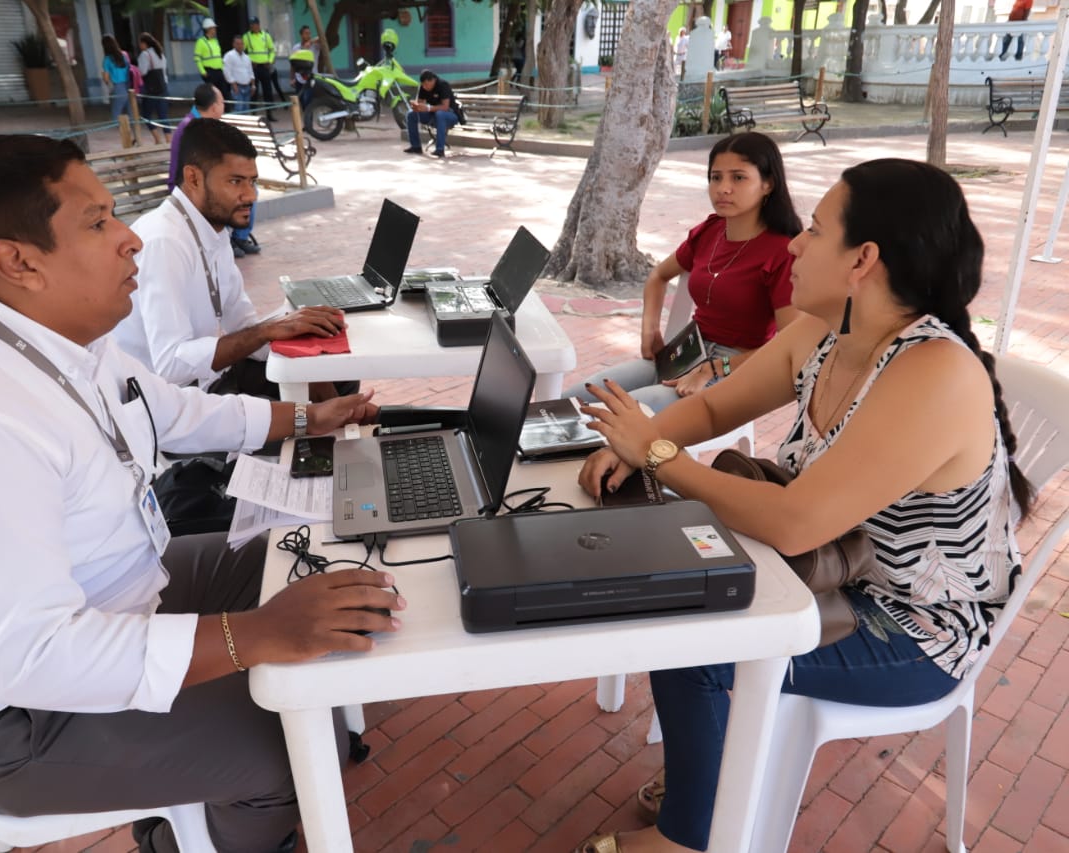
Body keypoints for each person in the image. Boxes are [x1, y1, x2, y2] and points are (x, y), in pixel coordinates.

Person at [0, 133, 400, 853]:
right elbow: (39, 655)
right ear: (18, 262)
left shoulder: (52, 335)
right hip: (12, 721)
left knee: (296, 555)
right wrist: (256, 634)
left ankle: (201, 785)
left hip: (124, 588)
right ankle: (183, 837)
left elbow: (174, 409)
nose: (130, 238)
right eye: (98, 222)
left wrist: (306, 419)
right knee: (286, 751)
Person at [575, 159, 1031, 853]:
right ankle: (708, 787)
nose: (794, 242)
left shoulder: (933, 371)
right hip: (826, 570)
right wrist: (645, 443)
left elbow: (795, 523)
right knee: (676, 589)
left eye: (815, 230)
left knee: (692, 644)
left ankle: (690, 837)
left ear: (863, 260)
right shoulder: (825, 330)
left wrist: (659, 455)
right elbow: (715, 407)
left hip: (913, 628)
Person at [567, 132, 801, 414]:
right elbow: (658, 276)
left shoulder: (783, 252)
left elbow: (788, 345)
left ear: (767, 184)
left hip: (737, 370)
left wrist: (714, 368)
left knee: (620, 415)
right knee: (570, 401)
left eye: (738, 178)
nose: (723, 188)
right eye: (716, 177)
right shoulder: (710, 231)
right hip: (685, 354)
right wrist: (650, 330)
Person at [120, 118, 346, 400]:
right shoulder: (164, 241)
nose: (250, 195)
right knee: (303, 412)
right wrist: (269, 331)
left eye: (252, 182)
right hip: (172, 402)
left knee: (335, 374)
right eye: (235, 181)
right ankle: (309, 424)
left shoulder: (212, 229)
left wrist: (304, 346)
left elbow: (241, 324)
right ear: (193, 178)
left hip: (210, 379)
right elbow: (170, 366)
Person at [166, 86, 261, 259]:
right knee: (229, 191)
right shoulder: (193, 129)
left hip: (201, 180)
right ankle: (234, 238)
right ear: (214, 106)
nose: (224, 106)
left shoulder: (206, 125)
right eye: (222, 102)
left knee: (249, 188)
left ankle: (239, 237)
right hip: (186, 185)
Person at [404, 69, 462, 159]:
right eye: (423, 85)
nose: (425, 87)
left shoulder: (443, 85)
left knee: (440, 114)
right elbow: (420, 103)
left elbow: (445, 107)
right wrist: (417, 107)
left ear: (433, 80)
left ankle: (440, 150)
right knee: (411, 114)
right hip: (432, 114)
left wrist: (428, 108)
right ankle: (416, 146)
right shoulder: (423, 87)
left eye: (426, 84)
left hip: (449, 115)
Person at [244, 17, 285, 121]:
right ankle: (253, 114)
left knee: (268, 91)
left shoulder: (266, 36)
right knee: (254, 91)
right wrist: (249, 61)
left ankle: (269, 114)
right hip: (253, 68)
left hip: (265, 67)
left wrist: (270, 61)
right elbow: (243, 52)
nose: (253, 26)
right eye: (251, 24)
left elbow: (272, 50)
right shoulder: (246, 36)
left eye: (254, 24)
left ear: (258, 24)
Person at [136, 33, 169, 145]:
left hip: (151, 89)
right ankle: (169, 140)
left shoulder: (145, 55)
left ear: (144, 43)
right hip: (163, 87)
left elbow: (142, 71)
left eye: (140, 43)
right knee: (163, 115)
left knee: (146, 115)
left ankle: (157, 139)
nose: (139, 46)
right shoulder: (160, 53)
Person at [100, 35, 132, 134]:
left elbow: (106, 78)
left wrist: (105, 80)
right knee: (130, 113)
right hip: (129, 86)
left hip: (117, 87)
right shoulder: (125, 55)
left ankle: (124, 136)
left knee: (116, 114)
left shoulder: (107, 59)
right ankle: (133, 135)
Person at [193, 18, 231, 102]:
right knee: (212, 95)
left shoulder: (215, 41)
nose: (215, 30)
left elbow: (218, 57)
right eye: (213, 28)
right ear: (208, 29)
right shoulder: (201, 42)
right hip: (209, 72)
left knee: (224, 93)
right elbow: (197, 58)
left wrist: (223, 70)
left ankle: (224, 109)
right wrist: (203, 72)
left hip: (219, 71)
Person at [223, 35, 255, 114]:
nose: (240, 46)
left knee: (246, 109)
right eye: (237, 44)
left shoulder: (247, 57)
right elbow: (227, 71)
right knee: (238, 109)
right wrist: (233, 84)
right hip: (237, 87)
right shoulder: (229, 56)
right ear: (233, 44)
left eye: (241, 44)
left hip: (247, 87)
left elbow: (250, 72)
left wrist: (253, 85)